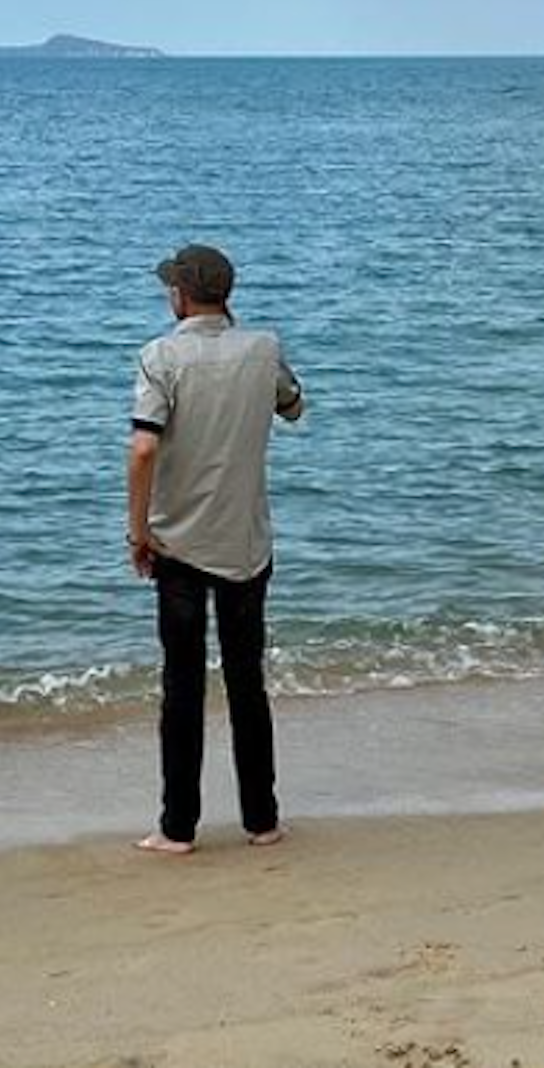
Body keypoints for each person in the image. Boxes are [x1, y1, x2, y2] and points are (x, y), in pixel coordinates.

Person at [127, 244, 306, 856]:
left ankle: (178, 827)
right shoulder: (263, 349)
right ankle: (262, 820)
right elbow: (294, 406)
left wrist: (137, 532)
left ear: (179, 295)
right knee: (246, 681)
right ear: (226, 294)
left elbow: (144, 449)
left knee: (182, 686)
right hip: (247, 540)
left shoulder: (161, 357)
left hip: (178, 541)